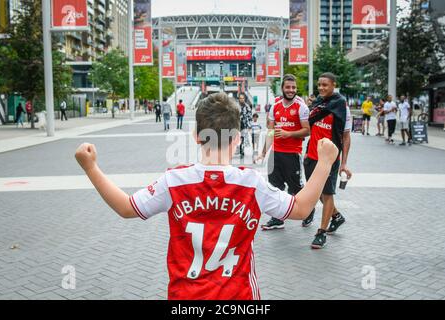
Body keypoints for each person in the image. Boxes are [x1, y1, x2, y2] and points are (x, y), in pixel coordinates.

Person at [74, 91, 338, 300]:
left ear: (196, 136)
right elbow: (302, 208)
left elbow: (126, 207)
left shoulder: (174, 181)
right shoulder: (251, 183)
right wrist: (325, 162)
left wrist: (91, 167)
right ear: (237, 139)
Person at [303, 72, 352, 249]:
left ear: (333, 85)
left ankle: (321, 233)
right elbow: (311, 128)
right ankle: (337, 216)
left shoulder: (341, 106)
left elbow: (346, 137)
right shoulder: (317, 103)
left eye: (326, 85)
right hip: (312, 156)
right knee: (318, 194)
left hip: (329, 157)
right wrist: (308, 152)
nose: (322, 88)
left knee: (327, 193)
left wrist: (344, 163)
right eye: (320, 85)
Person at [257, 74, 311, 231]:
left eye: (293, 87)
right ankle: (277, 218)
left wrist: (289, 134)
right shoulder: (275, 107)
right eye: (288, 87)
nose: (291, 90)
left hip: (292, 154)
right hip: (276, 154)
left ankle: (309, 210)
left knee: (295, 188)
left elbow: (307, 131)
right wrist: (263, 152)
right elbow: (271, 132)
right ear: (282, 88)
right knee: (274, 187)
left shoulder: (301, 107)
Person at [238, 93, 252, 159]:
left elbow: (250, 117)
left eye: (243, 98)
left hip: (244, 125)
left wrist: (249, 126)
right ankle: (238, 148)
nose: (241, 99)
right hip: (237, 125)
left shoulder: (247, 107)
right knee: (237, 138)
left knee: (242, 138)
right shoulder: (236, 106)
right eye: (240, 98)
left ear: (244, 99)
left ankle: (242, 150)